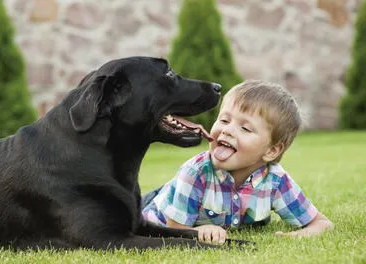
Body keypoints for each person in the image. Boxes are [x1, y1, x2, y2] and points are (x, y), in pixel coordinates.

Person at [141, 80, 334, 244]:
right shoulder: (196, 172)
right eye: (224, 120)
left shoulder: (275, 180)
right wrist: (201, 231)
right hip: (156, 211)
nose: (227, 130)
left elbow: (321, 223)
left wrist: (299, 235)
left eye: (245, 129)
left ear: (271, 150)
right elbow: (175, 231)